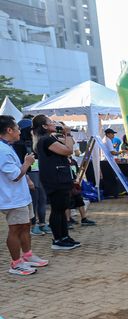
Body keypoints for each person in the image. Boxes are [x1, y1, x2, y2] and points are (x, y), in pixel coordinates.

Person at [1, 115, 48, 274]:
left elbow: (15, 170)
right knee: (15, 229)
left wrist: (27, 178)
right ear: (9, 130)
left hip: (20, 196)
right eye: (17, 128)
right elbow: (14, 175)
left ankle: (27, 255)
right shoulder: (2, 150)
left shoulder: (7, 146)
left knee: (25, 225)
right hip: (12, 198)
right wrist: (27, 163)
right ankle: (16, 263)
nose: (20, 131)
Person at [32, 115, 80, 250]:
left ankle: (64, 236)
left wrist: (66, 135)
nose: (55, 124)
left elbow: (67, 147)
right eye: (51, 122)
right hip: (55, 179)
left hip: (60, 177)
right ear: (44, 126)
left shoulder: (49, 138)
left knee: (62, 208)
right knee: (58, 209)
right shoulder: (46, 140)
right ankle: (57, 240)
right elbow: (68, 150)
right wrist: (68, 133)